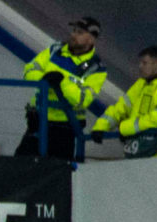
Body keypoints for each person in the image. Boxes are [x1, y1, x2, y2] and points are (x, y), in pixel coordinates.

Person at [19, 17, 108, 157]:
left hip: (64, 127)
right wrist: (44, 79)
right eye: (74, 30)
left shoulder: (96, 68)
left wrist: (61, 82)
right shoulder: (55, 49)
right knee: (20, 168)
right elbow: (29, 70)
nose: (73, 35)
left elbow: (82, 99)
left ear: (91, 39)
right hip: (37, 121)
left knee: (55, 173)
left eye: (79, 32)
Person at [96, 47, 157, 154]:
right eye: (140, 62)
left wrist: (125, 128)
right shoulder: (141, 84)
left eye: (144, 63)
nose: (140, 66)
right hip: (140, 151)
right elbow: (121, 108)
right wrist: (100, 126)